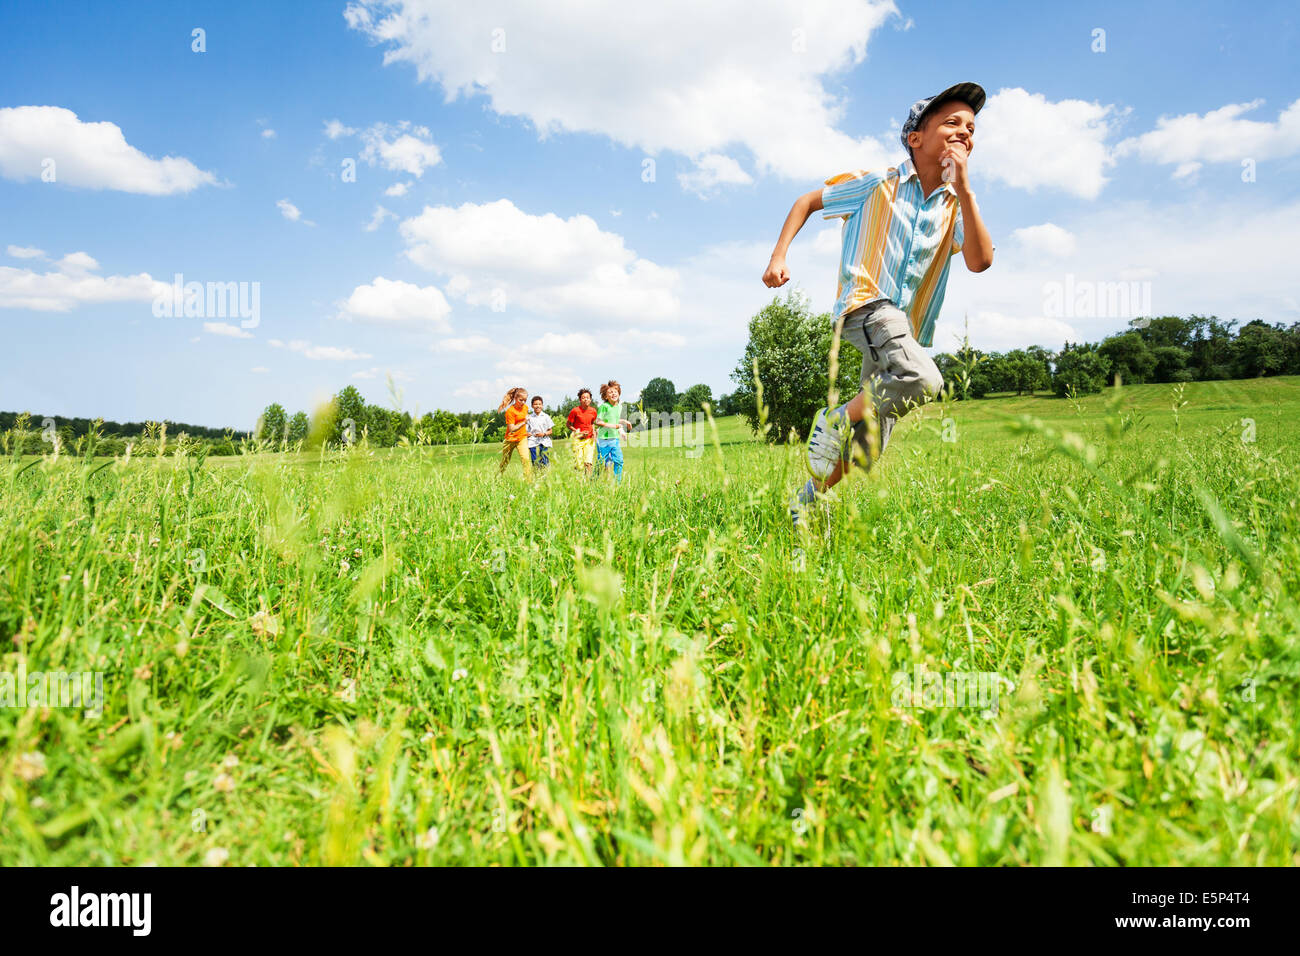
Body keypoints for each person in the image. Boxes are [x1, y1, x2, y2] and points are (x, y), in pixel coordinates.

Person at [762, 82, 995, 530]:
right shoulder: (878, 182)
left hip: (900, 326)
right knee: (924, 378)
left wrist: (964, 189)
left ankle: (804, 503)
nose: (964, 132)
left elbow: (980, 261)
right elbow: (808, 200)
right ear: (916, 139)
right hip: (865, 303)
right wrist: (778, 256)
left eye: (971, 127)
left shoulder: (955, 204)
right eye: (951, 122)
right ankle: (832, 418)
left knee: (868, 448)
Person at [595, 380, 633, 483]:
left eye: (615, 391)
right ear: (606, 396)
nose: (613, 393)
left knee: (619, 460)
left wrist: (624, 422)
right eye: (610, 392)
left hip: (614, 439)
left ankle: (617, 483)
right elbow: (598, 421)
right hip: (603, 440)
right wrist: (614, 426)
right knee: (603, 463)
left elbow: (614, 420)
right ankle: (594, 479)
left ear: (619, 393)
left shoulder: (619, 407)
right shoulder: (604, 407)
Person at [497, 386, 532, 479]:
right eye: (521, 400)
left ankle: (528, 482)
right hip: (510, 439)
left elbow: (525, 418)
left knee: (526, 459)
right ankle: (498, 477)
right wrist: (524, 422)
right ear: (515, 398)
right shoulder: (510, 411)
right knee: (505, 461)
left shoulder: (525, 407)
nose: (523, 402)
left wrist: (527, 430)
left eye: (525, 400)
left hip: (522, 438)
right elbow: (512, 428)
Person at [566, 388, 599, 477]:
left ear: (590, 399)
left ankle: (588, 483)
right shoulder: (575, 411)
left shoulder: (593, 411)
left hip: (589, 440)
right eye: (583, 398)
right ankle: (578, 481)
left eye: (588, 397)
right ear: (580, 400)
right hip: (578, 440)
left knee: (588, 462)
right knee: (579, 464)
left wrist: (594, 432)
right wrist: (578, 432)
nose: (586, 399)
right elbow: (568, 424)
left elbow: (592, 423)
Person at [526, 395, 554, 470]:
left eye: (539, 404)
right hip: (533, 441)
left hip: (544, 441)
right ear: (532, 406)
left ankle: (545, 476)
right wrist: (527, 434)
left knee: (544, 461)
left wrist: (543, 434)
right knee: (535, 462)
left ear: (542, 405)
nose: (538, 406)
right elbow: (525, 431)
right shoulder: (529, 417)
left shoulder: (546, 416)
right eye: (535, 404)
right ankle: (536, 475)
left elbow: (550, 431)